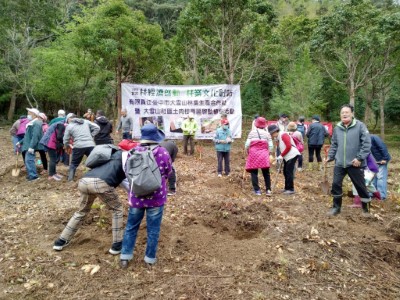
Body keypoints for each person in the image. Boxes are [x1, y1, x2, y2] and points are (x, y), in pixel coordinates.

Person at [53, 148, 126, 254]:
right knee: (117, 209)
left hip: (84, 181)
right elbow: (126, 183)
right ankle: (117, 245)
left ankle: (61, 241)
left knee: (81, 212)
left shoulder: (109, 157)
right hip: (100, 183)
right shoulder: (126, 160)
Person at [120, 124, 172, 269]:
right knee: (153, 229)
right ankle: (149, 259)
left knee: (131, 226)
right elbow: (168, 171)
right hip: (156, 197)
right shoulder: (162, 152)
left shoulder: (133, 151)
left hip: (136, 197)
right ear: (156, 137)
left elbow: (127, 171)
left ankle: (125, 256)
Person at [324, 104, 371, 216]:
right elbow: (334, 144)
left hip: (355, 163)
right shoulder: (337, 128)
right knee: (336, 184)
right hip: (340, 163)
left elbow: (367, 144)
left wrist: (359, 158)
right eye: (342, 112)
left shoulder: (360, 126)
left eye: (347, 112)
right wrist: (330, 157)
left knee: (360, 186)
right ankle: (336, 208)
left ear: (352, 114)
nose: (344, 114)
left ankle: (366, 209)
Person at [63, 113, 100, 181]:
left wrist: (66, 145)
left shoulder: (69, 126)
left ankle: (70, 180)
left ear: (69, 119)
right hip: (90, 145)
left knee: (74, 164)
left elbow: (65, 139)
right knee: (95, 162)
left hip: (78, 146)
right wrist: (91, 136)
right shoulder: (85, 121)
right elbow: (97, 127)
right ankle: (99, 177)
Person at [268, 124, 300, 195]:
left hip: (292, 155)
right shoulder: (278, 137)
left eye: (271, 134)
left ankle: (291, 189)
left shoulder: (283, 134)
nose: (271, 136)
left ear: (275, 132)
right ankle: (287, 188)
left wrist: (281, 156)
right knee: (285, 171)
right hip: (287, 156)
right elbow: (281, 147)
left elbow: (288, 146)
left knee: (288, 172)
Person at [245, 117, 273, 196]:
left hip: (253, 154)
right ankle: (268, 190)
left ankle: (257, 191)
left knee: (254, 173)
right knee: (266, 173)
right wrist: (268, 153)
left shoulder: (252, 133)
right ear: (264, 125)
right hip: (264, 154)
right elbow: (271, 146)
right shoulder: (267, 134)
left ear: (256, 124)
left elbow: (247, 145)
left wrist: (248, 152)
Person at [17, 108, 44, 181]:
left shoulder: (37, 123)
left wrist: (32, 147)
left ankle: (33, 176)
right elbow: (27, 136)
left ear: (34, 115)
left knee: (29, 160)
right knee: (28, 160)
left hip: (31, 146)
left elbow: (35, 136)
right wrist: (20, 142)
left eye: (29, 114)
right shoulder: (32, 123)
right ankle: (31, 175)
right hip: (28, 145)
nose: (28, 115)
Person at [370, 135, 391, 200]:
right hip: (372, 162)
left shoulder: (374, 137)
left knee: (381, 178)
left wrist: (385, 158)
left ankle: (381, 196)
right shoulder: (363, 140)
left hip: (381, 160)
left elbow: (383, 147)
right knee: (373, 179)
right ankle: (374, 194)